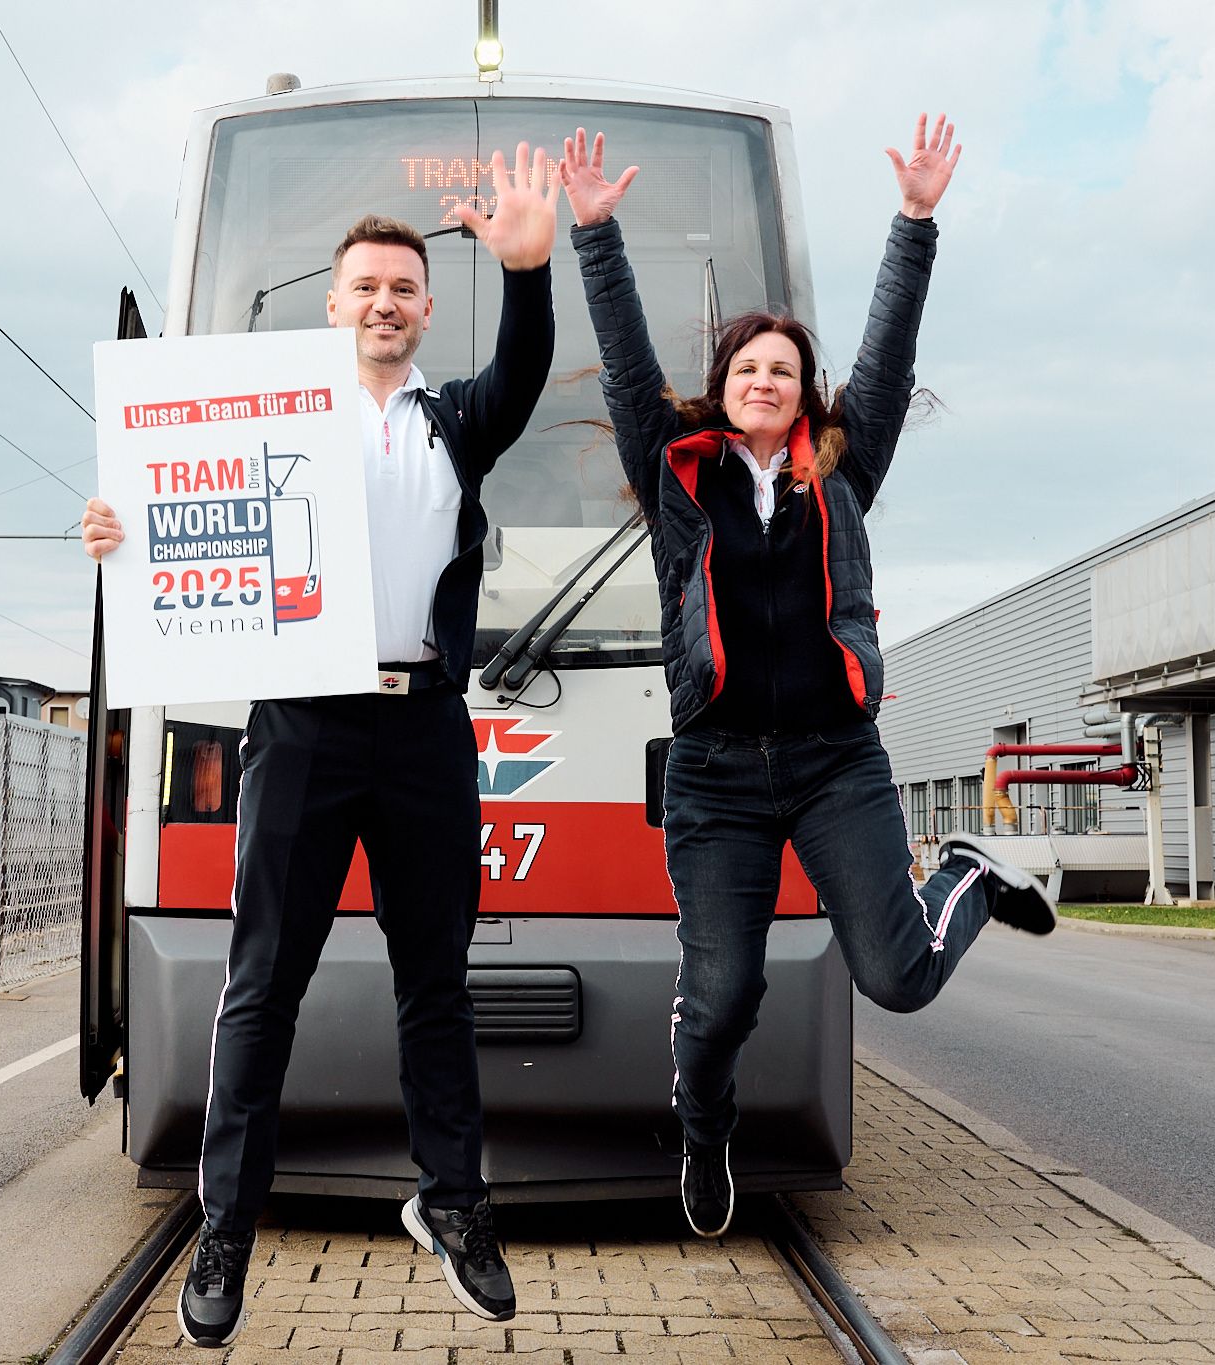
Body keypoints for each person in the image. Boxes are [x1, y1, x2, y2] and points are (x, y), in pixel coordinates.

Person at [82, 143, 559, 1346]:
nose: (385, 303)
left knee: (433, 985)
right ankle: (225, 1229)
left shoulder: (456, 420)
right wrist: (117, 530)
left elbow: (528, 365)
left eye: (405, 288)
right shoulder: (268, 415)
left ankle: (453, 1205)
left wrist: (530, 269)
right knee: (262, 989)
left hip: (426, 730)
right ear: (334, 303)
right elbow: (180, 513)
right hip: (301, 726)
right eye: (366, 287)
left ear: (424, 308)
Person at [557, 117, 1057, 1240]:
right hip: (719, 773)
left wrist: (914, 222)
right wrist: (596, 235)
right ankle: (704, 1132)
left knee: (897, 979)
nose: (766, 381)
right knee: (722, 992)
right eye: (748, 368)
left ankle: (967, 876)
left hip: (836, 764)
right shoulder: (680, 483)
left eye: (784, 370)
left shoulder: (841, 471)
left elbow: (887, 356)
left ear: (803, 393)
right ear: (724, 387)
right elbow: (630, 366)